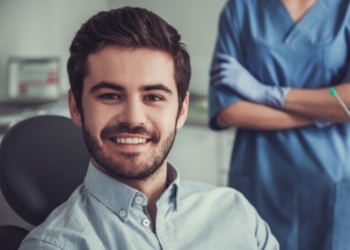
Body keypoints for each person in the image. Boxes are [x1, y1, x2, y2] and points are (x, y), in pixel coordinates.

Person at [19, 6, 278, 250]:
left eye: (153, 97)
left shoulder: (236, 211)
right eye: (110, 95)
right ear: (76, 107)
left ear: (182, 109)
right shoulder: (54, 245)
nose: (134, 118)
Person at [208, 0, 350, 249]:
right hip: (261, 176)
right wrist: (324, 111)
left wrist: (267, 94)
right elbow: (228, 110)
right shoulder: (242, 9)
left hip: (332, 183)